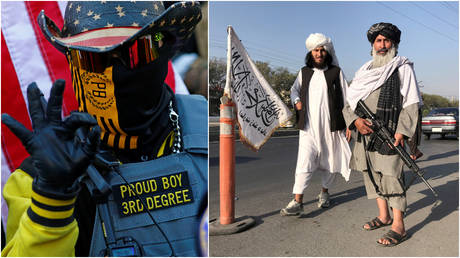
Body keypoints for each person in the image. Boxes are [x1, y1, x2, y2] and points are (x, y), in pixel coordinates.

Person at [1, 1, 207, 256]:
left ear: (163, 47)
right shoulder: (38, 178)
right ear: (71, 62)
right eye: (91, 57)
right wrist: (51, 202)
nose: (115, 71)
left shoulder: (208, 130)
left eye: (136, 51)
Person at [342, 22, 422, 246]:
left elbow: (411, 103)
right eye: (378, 41)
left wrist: (402, 131)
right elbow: (348, 103)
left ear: (394, 43)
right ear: (372, 45)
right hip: (364, 132)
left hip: (389, 133)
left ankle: (399, 225)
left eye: (387, 40)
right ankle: (383, 215)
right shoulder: (364, 71)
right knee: (370, 174)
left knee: (391, 176)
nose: (383, 45)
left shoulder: (401, 67)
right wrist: (355, 121)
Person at [280, 33, 351, 216]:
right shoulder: (304, 72)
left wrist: (350, 124)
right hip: (308, 127)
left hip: (332, 126)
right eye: (316, 50)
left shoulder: (336, 72)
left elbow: (347, 97)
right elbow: (294, 90)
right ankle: (298, 201)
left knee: (330, 161)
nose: (319, 54)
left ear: (327, 52)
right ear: (310, 53)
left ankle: (324, 193)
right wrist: (296, 101)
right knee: (304, 162)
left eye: (322, 50)